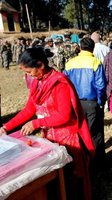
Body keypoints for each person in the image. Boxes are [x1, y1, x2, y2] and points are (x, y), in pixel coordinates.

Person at [0, 47, 95, 200]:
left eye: (29, 71)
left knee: (71, 179)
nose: (28, 75)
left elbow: (64, 116)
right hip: (50, 136)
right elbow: (29, 110)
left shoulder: (59, 83)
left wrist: (36, 123)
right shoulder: (37, 84)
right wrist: (6, 127)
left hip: (68, 139)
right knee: (56, 181)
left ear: (40, 65)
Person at [64, 37, 107, 166]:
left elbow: (64, 84)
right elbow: (101, 86)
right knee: (95, 132)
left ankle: (82, 161)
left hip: (75, 103)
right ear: (93, 48)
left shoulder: (70, 63)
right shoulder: (96, 62)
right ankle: (97, 162)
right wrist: (100, 102)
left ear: (80, 47)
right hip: (92, 102)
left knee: (80, 132)